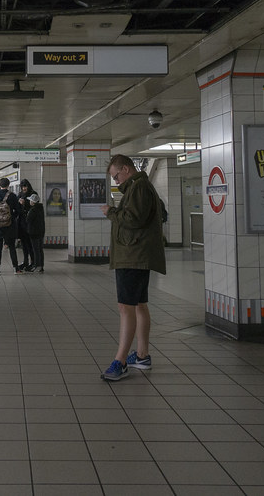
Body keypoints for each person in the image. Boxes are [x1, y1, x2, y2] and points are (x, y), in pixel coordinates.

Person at [100, 154, 166, 382]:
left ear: (126, 169)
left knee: (125, 307)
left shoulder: (138, 188)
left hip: (133, 256)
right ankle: (142, 355)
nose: (116, 181)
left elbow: (133, 219)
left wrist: (111, 212)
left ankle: (120, 362)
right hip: (137, 254)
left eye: (116, 176)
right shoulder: (140, 187)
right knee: (139, 305)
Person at [0, 177, 22, 274]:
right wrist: (12, 218)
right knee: (11, 247)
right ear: (8, 185)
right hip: (9, 226)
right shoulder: (12, 196)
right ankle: (16, 268)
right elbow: (18, 210)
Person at [16, 178, 37, 270]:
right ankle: (25, 261)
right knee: (24, 244)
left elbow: (35, 206)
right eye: (22, 187)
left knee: (30, 244)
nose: (24, 188)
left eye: (25, 186)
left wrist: (26, 203)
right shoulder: (20, 195)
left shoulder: (33, 194)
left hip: (30, 223)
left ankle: (33, 262)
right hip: (22, 223)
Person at [25, 193, 45, 272]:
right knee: (40, 249)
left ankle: (37, 265)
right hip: (40, 231)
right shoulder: (40, 208)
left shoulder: (33, 210)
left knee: (35, 250)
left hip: (34, 232)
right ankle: (41, 266)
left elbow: (28, 220)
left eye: (30, 200)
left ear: (33, 202)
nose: (29, 202)